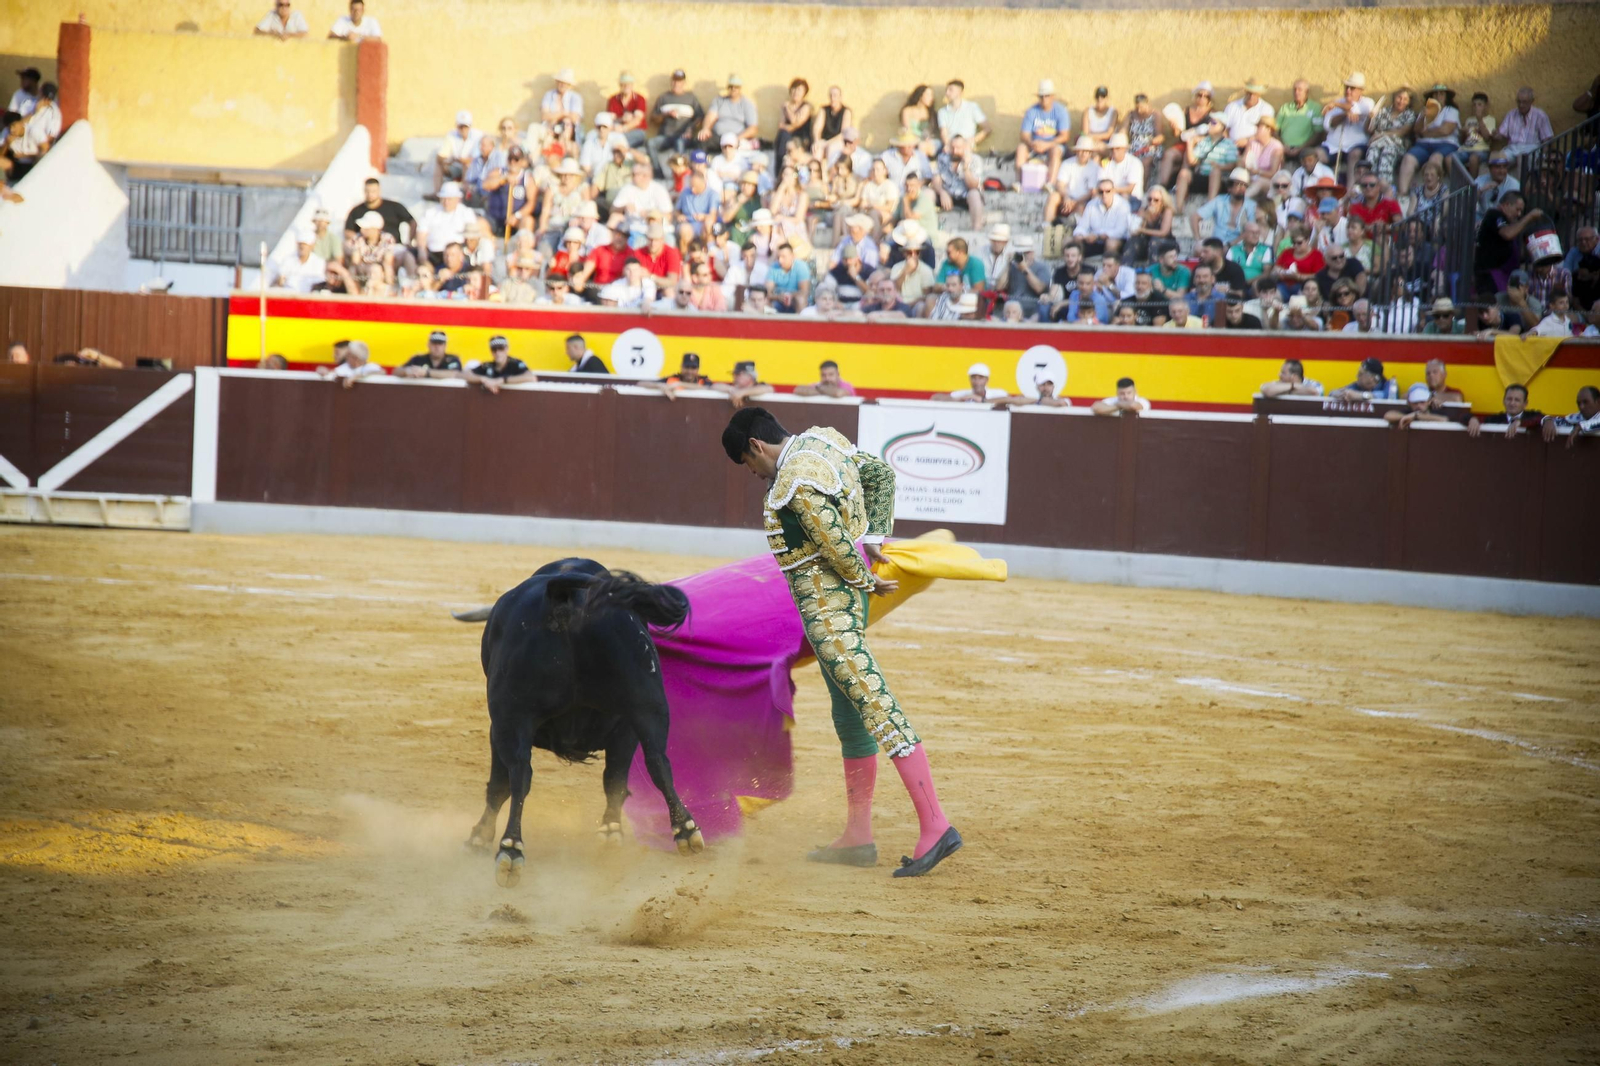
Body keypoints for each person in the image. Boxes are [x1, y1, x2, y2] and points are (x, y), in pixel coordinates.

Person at [721, 407, 963, 876]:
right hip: (845, 604)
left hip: (829, 613)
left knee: (875, 705)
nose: (754, 475)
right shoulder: (824, 442)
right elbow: (879, 473)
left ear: (755, 446)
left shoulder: (793, 477)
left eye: (748, 466)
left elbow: (829, 536)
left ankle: (936, 825)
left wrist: (862, 573)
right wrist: (874, 535)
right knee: (850, 713)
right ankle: (857, 835)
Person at [1323, 71, 1374, 188]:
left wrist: (1336, 104)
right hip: (1334, 146)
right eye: (1347, 87)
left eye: (1352, 88)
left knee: (1354, 154)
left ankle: (1350, 190)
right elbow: (1327, 124)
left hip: (1356, 145)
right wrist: (1344, 114)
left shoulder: (1367, 103)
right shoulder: (1338, 103)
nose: (1348, 91)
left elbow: (1355, 109)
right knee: (1316, 155)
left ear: (1361, 90)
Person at [1017, 79, 1073, 185]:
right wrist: (1031, 143)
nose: (1044, 99)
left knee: (1056, 151)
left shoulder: (1060, 111)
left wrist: (1047, 144)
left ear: (1052, 96)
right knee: (1021, 148)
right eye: (1041, 96)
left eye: (1046, 95)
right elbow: (1024, 134)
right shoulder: (1032, 111)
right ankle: (1020, 182)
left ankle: (1050, 184)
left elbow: (1065, 136)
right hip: (1035, 144)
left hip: (1053, 144)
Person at [1468, 383, 1544, 438]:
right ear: (1504, 401)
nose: (1512, 403)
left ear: (1525, 403)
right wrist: (1472, 419)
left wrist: (1520, 422)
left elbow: (1542, 419)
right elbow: (1462, 417)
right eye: (1509, 399)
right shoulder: (1497, 419)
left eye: (1517, 400)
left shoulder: (1533, 415)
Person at [465, 335, 535, 393]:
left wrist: (502, 380)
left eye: (501, 348)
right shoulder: (488, 366)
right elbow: (467, 374)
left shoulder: (515, 363)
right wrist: (484, 379)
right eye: (494, 350)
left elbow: (531, 377)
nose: (497, 353)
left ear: (507, 349)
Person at [1497, 87, 1553, 157]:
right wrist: (1495, 134)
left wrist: (1543, 156)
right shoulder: (1511, 114)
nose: (1521, 105)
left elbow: (1547, 139)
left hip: (1532, 149)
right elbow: (1501, 135)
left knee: (1522, 158)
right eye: (1519, 102)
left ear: (1532, 101)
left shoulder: (1540, 115)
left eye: (1524, 102)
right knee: (1498, 159)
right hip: (1513, 148)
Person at [396, 330, 462, 379]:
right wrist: (406, 371)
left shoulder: (453, 360)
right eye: (434, 343)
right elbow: (396, 371)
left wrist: (426, 373)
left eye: (440, 344)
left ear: (445, 346)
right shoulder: (419, 359)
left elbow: (456, 374)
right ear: (428, 345)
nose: (437, 347)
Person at [315, 339, 382, 387]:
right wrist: (322, 370)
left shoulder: (371, 366)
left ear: (356, 358)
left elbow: (381, 372)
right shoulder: (344, 367)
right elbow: (331, 373)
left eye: (348, 355)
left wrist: (358, 376)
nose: (346, 357)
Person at [1385, 383, 1453, 428]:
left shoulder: (1436, 411)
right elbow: (1388, 415)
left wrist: (1416, 416)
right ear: (1409, 402)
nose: (1418, 405)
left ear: (1429, 401)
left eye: (1422, 402)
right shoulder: (1408, 412)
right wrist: (1411, 416)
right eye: (1415, 402)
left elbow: (1444, 419)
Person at [933, 363, 1007, 403]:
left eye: (980, 378)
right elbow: (935, 397)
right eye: (974, 378)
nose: (976, 381)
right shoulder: (965, 394)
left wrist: (982, 400)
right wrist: (959, 399)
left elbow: (1011, 400)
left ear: (986, 380)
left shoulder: (997, 393)